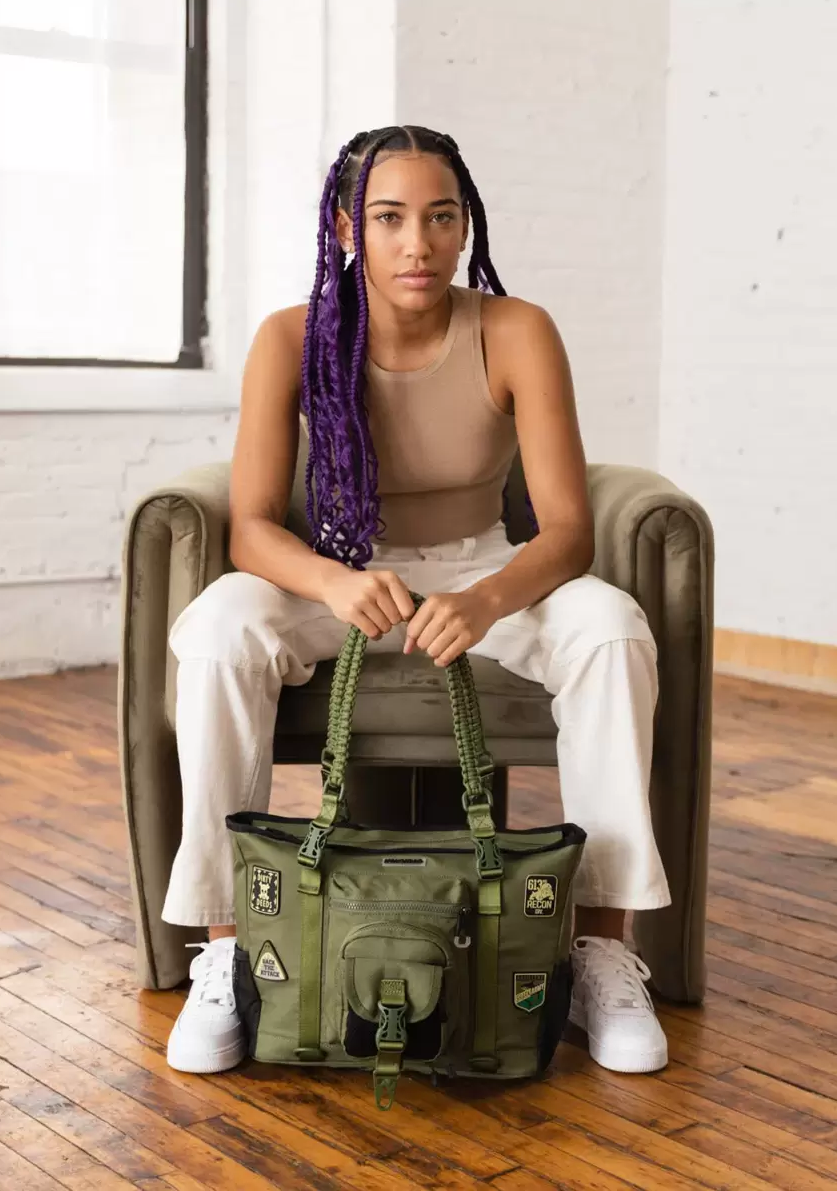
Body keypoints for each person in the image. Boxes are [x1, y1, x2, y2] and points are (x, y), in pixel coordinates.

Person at [163, 125, 671, 1078]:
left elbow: (567, 529)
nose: (418, 244)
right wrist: (333, 580)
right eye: (390, 218)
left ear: (464, 225)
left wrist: (487, 599)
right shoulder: (290, 338)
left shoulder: (516, 330)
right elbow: (252, 529)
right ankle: (229, 949)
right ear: (346, 228)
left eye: (441, 218)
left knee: (611, 628)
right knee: (221, 627)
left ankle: (603, 951)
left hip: (482, 569)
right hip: (347, 576)